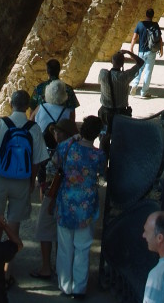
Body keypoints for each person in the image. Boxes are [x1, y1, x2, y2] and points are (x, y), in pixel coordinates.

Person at [0, 90, 48, 288]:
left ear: (11, 104)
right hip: (22, 181)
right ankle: (7, 273)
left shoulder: (1, 124)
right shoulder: (33, 128)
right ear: (27, 106)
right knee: (14, 225)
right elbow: (36, 161)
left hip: (0, 178)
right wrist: (31, 180)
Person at [51, 115, 106, 298]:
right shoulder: (98, 155)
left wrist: (73, 139)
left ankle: (64, 285)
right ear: (97, 134)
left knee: (65, 247)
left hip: (66, 201)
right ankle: (79, 288)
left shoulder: (67, 147)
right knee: (83, 247)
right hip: (86, 205)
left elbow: (54, 163)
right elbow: (103, 172)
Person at [31, 118, 78, 280]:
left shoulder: (62, 149)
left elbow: (51, 170)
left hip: (54, 193)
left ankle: (46, 267)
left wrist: (44, 188)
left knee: (44, 229)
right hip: (72, 196)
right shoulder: (78, 147)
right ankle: (61, 266)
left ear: (64, 134)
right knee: (62, 234)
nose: (55, 134)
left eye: (58, 132)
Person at [98, 50, 143, 150]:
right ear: (123, 63)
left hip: (105, 112)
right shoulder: (125, 76)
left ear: (111, 61)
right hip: (121, 113)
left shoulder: (103, 73)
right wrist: (128, 52)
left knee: (103, 138)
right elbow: (140, 62)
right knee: (120, 140)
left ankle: (103, 159)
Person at [129, 8, 163, 98]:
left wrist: (131, 48)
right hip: (151, 51)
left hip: (141, 51)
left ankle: (134, 85)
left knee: (139, 69)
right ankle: (144, 92)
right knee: (148, 72)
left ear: (146, 15)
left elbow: (134, 37)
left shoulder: (140, 24)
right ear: (153, 15)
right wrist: (161, 49)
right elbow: (160, 38)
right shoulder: (155, 25)